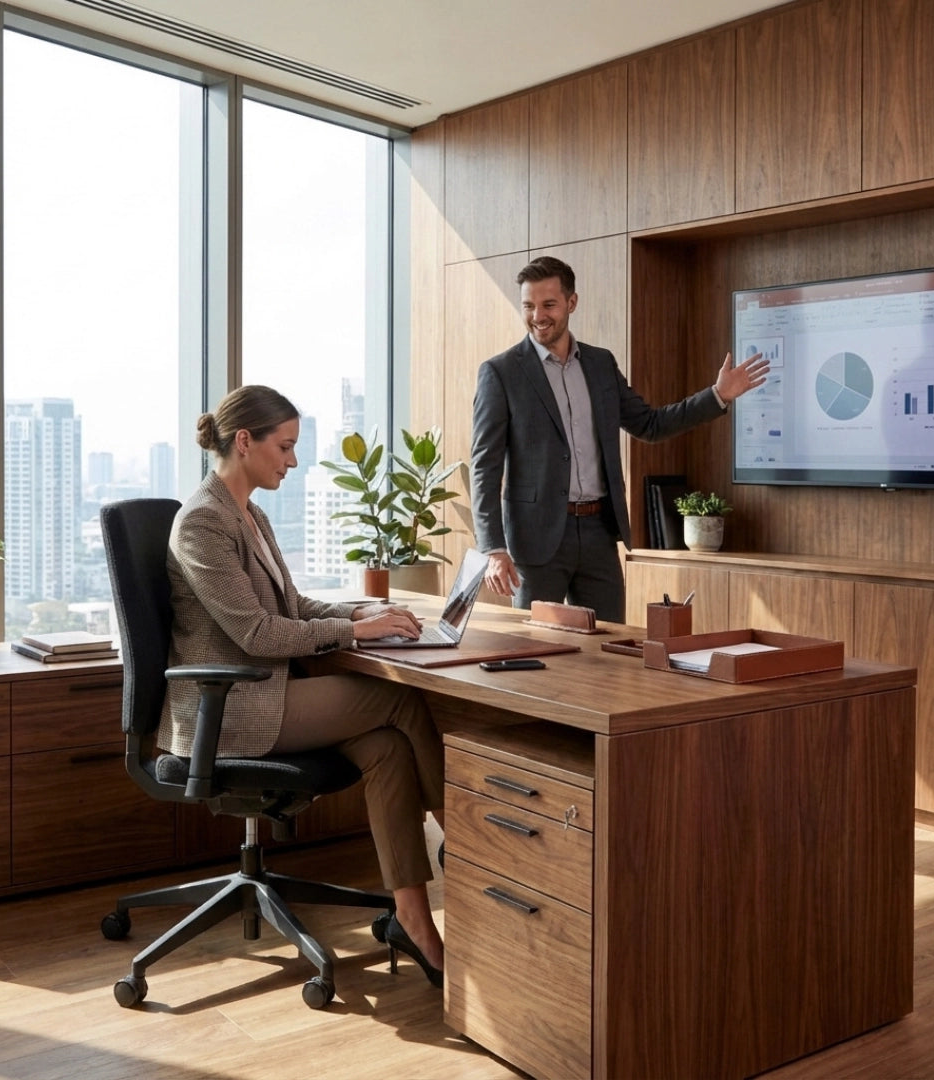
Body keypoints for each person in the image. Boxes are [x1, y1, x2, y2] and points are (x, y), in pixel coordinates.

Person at [162, 385, 445, 987]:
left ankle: (412, 921)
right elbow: (259, 634)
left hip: (271, 692)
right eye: (284, 447)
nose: (291, 461)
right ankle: (470, 844)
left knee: (388, 750)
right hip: (232, 707)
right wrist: (353, 634)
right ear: (245, 442)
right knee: (399, 698)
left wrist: (359, 614)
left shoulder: (250, 514)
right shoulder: (202, 523)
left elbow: (291, 604)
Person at [471, 255, 769, 623]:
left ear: (571, 302)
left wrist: (718, 395)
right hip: (536, 541)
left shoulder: (599, 364)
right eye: (529, 306)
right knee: (534, 651)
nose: (537, 316)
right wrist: (493, 548)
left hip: (598, 532)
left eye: (548, 304)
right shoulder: (501, 373)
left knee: (607, 646)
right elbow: (484, 467)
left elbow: (650, 424)